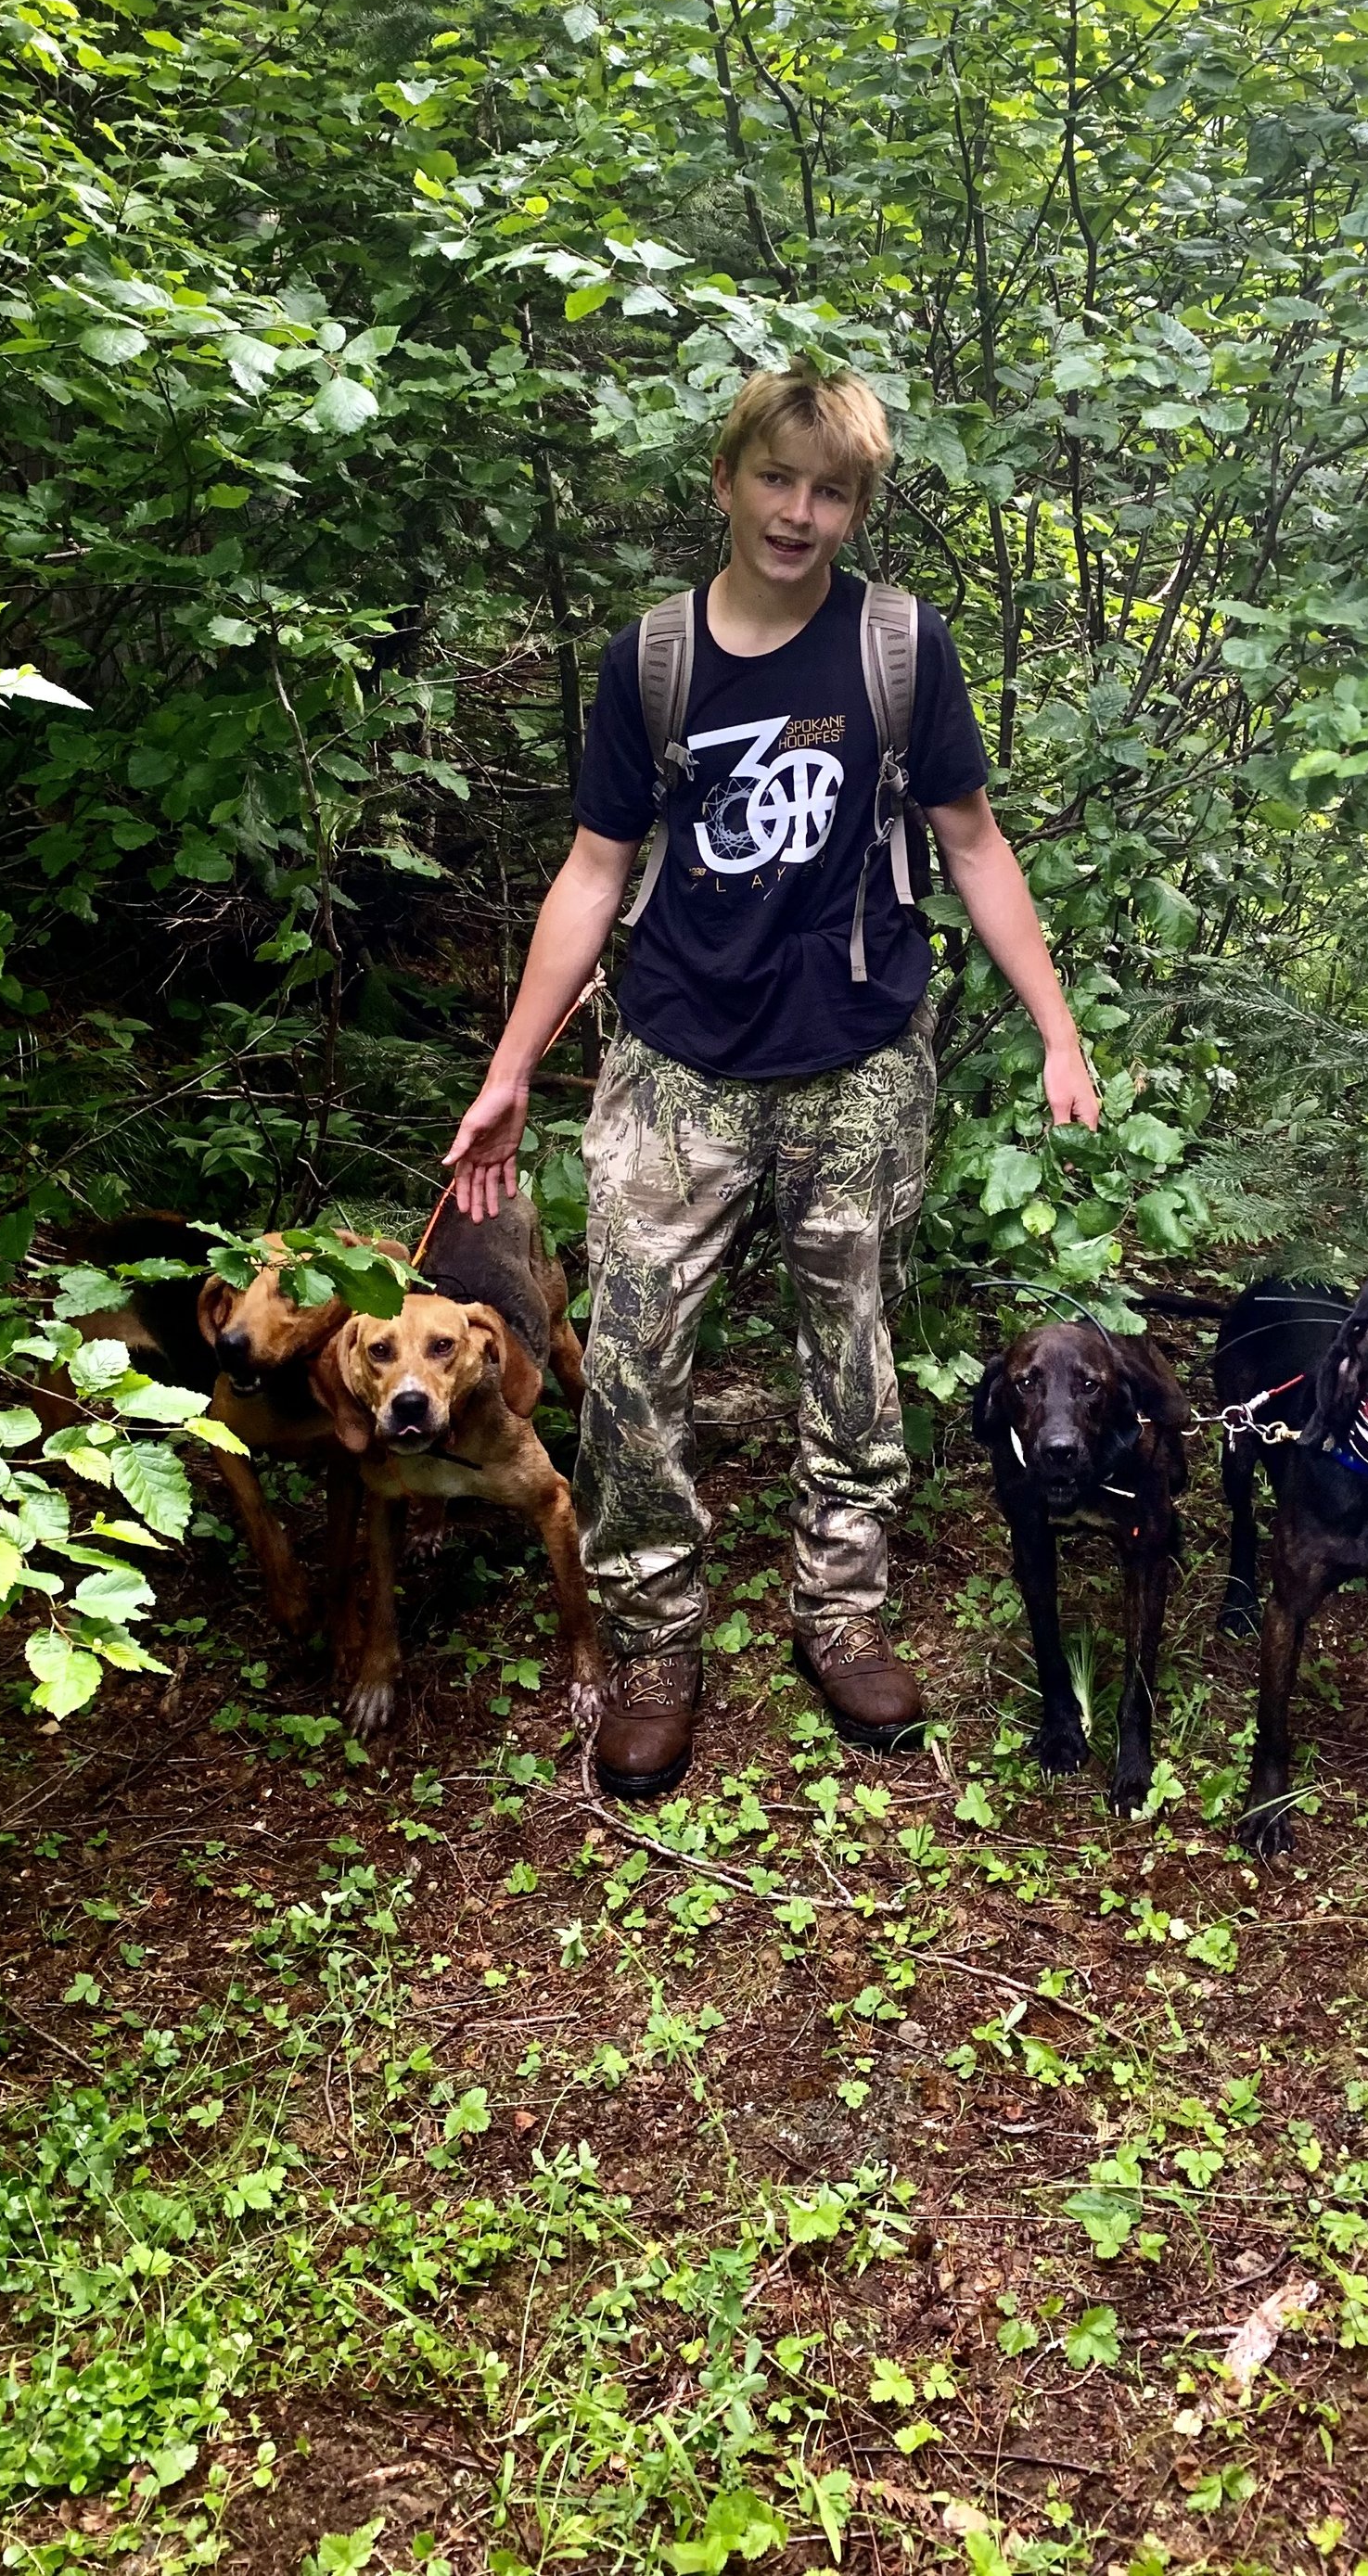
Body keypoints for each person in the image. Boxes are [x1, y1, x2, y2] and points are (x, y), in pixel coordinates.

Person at [444, 366, 1100, 1799]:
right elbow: (595, 869)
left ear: (856, 505)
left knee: (850, 1347)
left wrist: (1056, 1027)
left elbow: (973, 843)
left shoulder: (896, 647)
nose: (801, 513)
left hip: (858, 1053)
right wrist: (512, 1069)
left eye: (833, 491)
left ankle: (841, 1608)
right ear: (729, 478)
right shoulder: (657, 660)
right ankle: (656, 1636)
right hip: (678, 1051)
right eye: (778, 480)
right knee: (624, 1354)